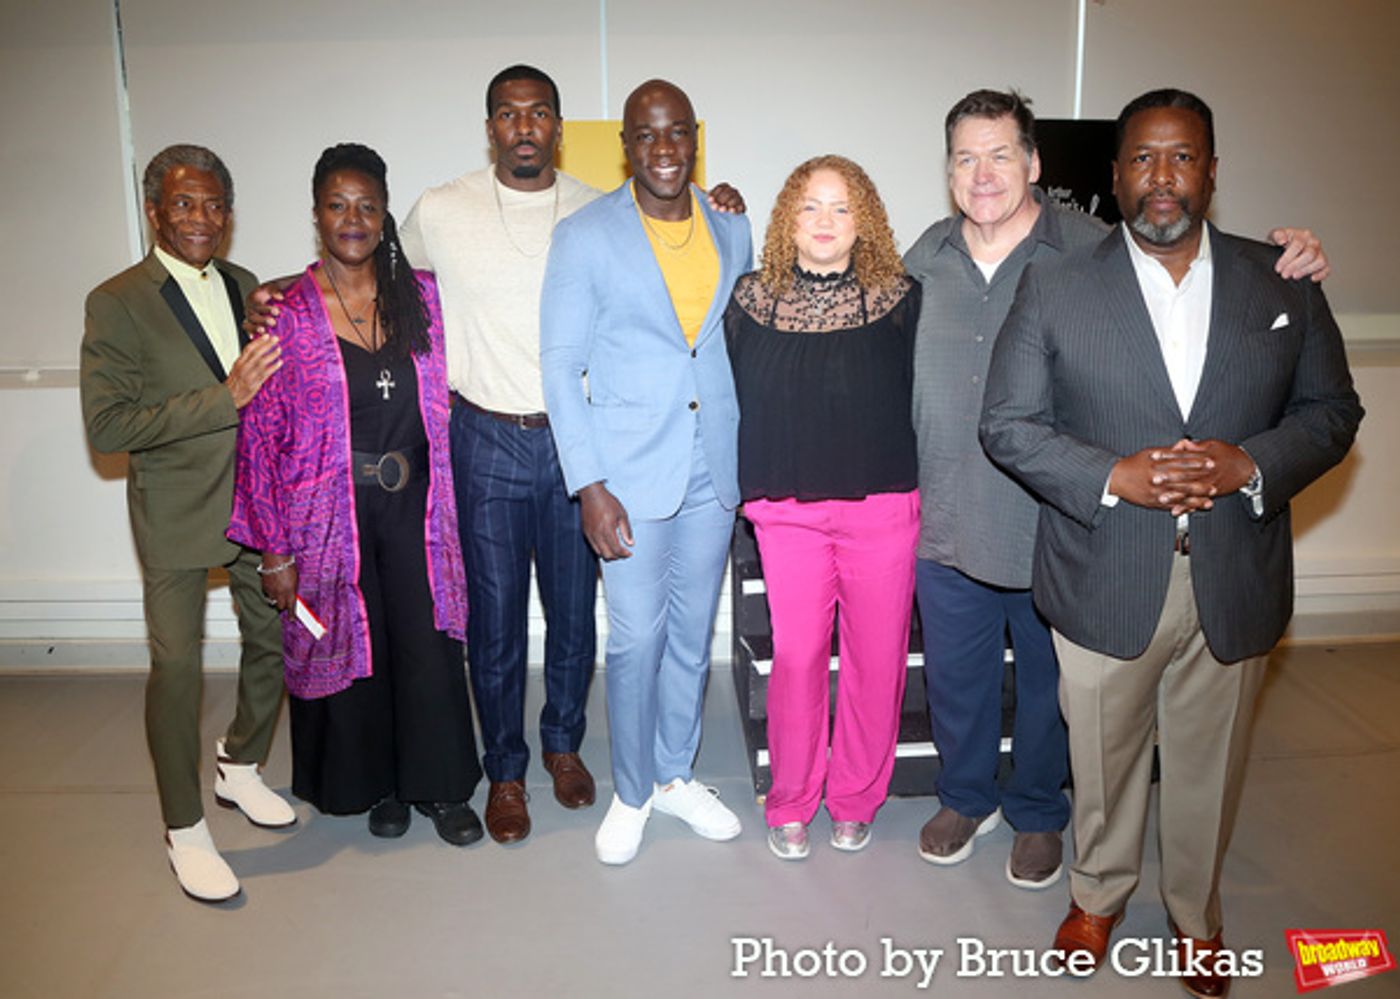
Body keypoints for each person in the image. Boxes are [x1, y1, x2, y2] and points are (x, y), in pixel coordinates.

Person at [979, 89, 1362, 997]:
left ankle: (1197, 913)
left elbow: (1333, 411)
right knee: (1103, 762)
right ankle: (1098, 895)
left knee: (1210, 763)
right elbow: (1008, 422)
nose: (1162, 178)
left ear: (1213, 172)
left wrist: (1249, 464)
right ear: (1114, 177)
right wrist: (1117, 475)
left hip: (1234, 571)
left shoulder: (1283, 284)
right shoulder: (1057, 284)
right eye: (1143, 160)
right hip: (1104, 571)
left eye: (1182, 158)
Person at [904, 89, 1334, 891]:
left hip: (1058, 522)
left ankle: (1037, 810)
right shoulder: (921, 257)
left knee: (1053, 692)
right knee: (957, 680)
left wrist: (1296, 255)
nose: (983, 172)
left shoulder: (1089, 251)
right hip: (951, 517)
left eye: (1001, 153)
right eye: (965, 157)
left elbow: (1195, 277)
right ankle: (965, 798)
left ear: (1035, 164)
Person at [227, 143, 483, 847]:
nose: (353, 218)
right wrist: (273, 548)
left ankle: (441, 786)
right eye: (338, 205)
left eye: (367, 205)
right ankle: (380, 784)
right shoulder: (288, 313)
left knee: (425, 641)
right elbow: (261, 436)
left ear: (384, 214)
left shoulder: (423, 296)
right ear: (317, 215)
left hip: (420, 504)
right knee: (353, 644)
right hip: (328, 514)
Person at [541, 79, 752, 865]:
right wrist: (588, 483)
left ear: (692, 138)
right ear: (625, 146)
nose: (663, 150)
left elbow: (734, 342)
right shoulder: (587, 234)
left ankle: (674, 774)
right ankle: (632, 790)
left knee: (694, 635)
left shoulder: (732, 225)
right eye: (645, 135)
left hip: (713, 469)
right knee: (635, 640)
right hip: (626, 475)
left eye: (675, 134)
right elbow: (561, 368)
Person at [81, 144, 292, 903]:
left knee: (274, 640)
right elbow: (107, 426)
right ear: (153, 211)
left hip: (253, 503)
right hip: (173, 511)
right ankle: (184, 826)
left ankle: (239, 763)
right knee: (176, 668)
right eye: (183, 204)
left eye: (213, 206)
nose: (200, 219)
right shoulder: (117, 300)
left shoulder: (243, 284)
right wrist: (223, 397)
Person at [724, 155, 920, 860]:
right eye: (811, 206)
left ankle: (857, 796)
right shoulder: (747, 301)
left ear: (863, 218)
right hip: (788, 513)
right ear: (788, 220)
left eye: (842, 207)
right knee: (801, 656)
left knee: (875, 658)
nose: (826, 221)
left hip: (883, 508)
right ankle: (791, 799)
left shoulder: (902, 298)